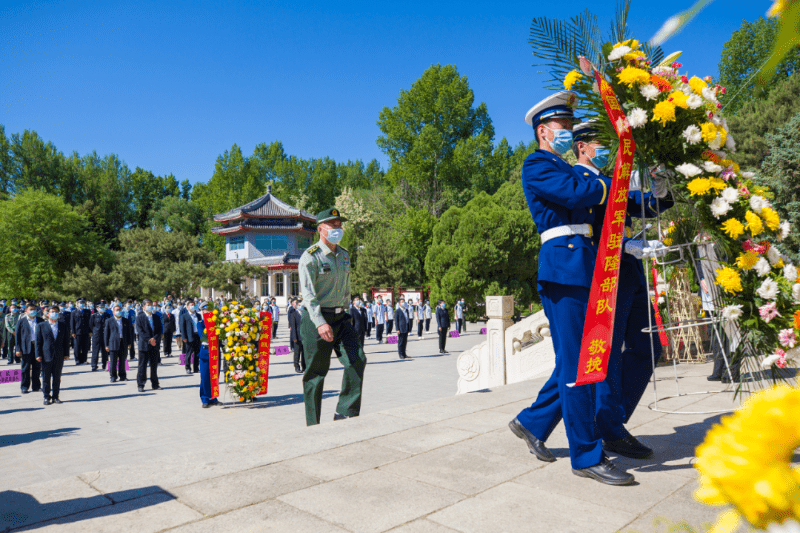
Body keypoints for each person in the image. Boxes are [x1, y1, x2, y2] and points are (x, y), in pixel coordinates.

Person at [508, 91, 634, 486]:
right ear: (544, 131)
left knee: (574, 362)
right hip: (563, 269)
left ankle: (532, 423)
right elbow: (578, 195)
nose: (569, 132)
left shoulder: (568, 168)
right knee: (580, 367)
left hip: (583, 268)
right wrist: (604, 182)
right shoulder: (538, 165)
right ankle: (585, 454)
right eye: (563, 127)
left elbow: (594, 198)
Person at [573, 120, 671, 461]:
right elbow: (585, 232)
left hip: (629, 270)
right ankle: (612, 429)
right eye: (599, 142)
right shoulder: (578, 182)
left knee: (648, 346)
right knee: (609, 355)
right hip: (606, 274)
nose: (604, 147)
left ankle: (612, 422)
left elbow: (642, 205)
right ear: (582, 146)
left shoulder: (608, 181)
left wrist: (660, 187)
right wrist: (623, 244)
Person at [298, 207, 367, 426]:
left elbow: (346, 288)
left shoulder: (344, 255)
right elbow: (308, 296)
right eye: (332, 225)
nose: (337, 228)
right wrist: (320, 323)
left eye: (339, 224)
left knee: (357, 359)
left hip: (341, 317)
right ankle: (313, 424)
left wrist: (346, 312)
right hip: (316, 319)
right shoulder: (310, 258)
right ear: (320, 229)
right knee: (316, 374)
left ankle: (345, 412)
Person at [36, 306, 70, 405]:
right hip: (46, 355)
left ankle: (56, 396)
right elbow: (38, 342)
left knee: (57, 377)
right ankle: (46, 396)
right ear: (47, 313)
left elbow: (66, 341)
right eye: (52, 312)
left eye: (56, 312)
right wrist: (38, 355)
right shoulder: (41, 325)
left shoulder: (63, 325)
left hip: (59, 355)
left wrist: (67, 353)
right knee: (46, 377)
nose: (54, 313)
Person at [135, 299, 163, 392]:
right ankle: (141, 384)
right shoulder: (140, 317)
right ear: (143, 307)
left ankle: (155, 384)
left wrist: (154, 338)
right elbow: (140, 331)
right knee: (142, 366)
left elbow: (159, 330)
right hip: (144, 345)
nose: (150, 306)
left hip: (154, 345)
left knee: (154, 366)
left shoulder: (156, 317)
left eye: (151, 305)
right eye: (148, 305)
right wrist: (149, 340)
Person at [197, 301, 220, 408]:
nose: (208, 311)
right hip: (206, 351)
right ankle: (205, 398)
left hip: (215, 352)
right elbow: (203, 337)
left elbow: (221, 336)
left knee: (215, 375)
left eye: (209, 309)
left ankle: (214, 397)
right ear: (202, 311)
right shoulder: (200, 323)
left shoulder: (217, 322)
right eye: (205, 310)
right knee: (205, 376)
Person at [16, 304, 42, 395]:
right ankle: (24, 387)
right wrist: (18, 349)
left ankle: (36, 386)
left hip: (37, 347)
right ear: (26, 311)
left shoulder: (40, 320)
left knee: (37, 368)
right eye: (31, 309)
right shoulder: (21, 321)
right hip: (26, 348)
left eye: (34, 309)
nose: (33, 311)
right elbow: (18, 337)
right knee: (25, 368)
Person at [104, 303, 130, 382]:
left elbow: (129, 333)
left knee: (123, 360)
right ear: (113, 311)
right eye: (117, 310)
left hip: (123, 342)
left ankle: (123, 376)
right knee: (113, 361)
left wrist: (129, 343)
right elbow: (106, 334)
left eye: (119, 310)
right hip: (113, 343)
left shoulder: (125, 320)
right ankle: (113, 376)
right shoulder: (109, 321)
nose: (118, 311)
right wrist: (106, 345)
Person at [180, 299, 201, 374]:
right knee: (188, 353)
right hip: (189, 337)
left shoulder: (198, 315)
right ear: (188, 307)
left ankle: (196, 368)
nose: (193, 306)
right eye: (191, 305)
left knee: (197, 353)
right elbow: (182, 328)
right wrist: (184, 337)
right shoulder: (184, 316)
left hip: (197, 336)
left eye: (194, 305)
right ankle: (187, 367)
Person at [288, 298, 305, 374]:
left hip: (305, 337)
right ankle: (297, 367)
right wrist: (294, 337)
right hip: (297, 337)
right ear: (297, 305)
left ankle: (304, 367)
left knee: (304, 353)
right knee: (297, 353)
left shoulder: (305, 314)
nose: (301, 306)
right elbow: (293, 327)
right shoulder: (293, 314)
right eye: (300, 305)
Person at [89, 302, 108, 371]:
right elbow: (91, 325)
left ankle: (105, 365)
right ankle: (94, 365)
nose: (102, 309)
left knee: (105, 351)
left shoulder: (107, 315)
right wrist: (95, 331)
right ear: (97, 308)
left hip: (105, 335)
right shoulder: (93, 316)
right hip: (96, 335)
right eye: (100, 307)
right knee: (95, 351)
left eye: (103, 307)